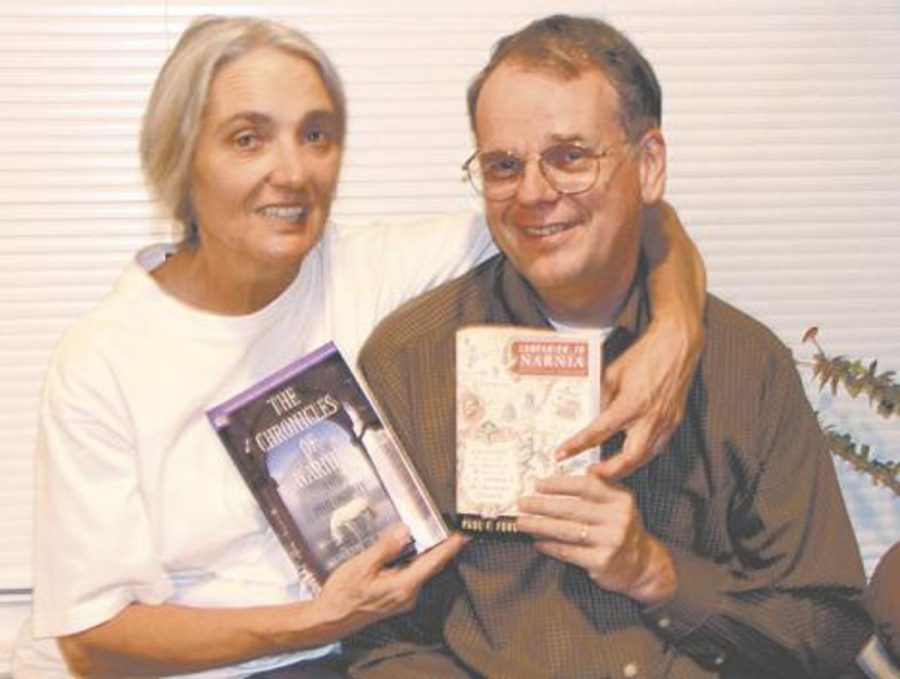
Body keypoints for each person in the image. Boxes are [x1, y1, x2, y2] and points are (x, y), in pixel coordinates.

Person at [13, 14, 706, 679]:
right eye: (248, 139)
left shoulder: (368, 268)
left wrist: (675, 326)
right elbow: (92, 639)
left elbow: (609, 208)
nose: (293, 171)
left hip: (332, 657)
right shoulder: (101, 362)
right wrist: (315, 620)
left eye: (316, 134)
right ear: (180, 156)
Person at [348, 14, 872, 679]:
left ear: (648, 164)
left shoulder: (745, 365)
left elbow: (826, 625)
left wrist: (656, 572)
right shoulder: (409, 361)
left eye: (570, 157)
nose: (534, 193)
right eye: (503, 166)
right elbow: (384, 639)